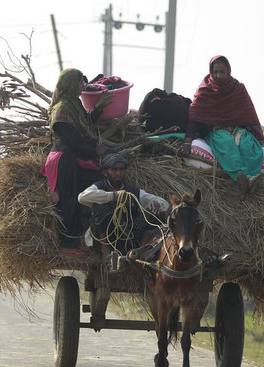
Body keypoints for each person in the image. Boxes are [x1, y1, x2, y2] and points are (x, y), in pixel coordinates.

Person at [40, 68, 112, 258]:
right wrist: (93, 151)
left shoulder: (74, 103)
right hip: (64, 159)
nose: (83, 85)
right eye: (80, 82)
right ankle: (67, 245)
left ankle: (95, 239)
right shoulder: (62, 108)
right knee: (69, 199)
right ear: (71, 85)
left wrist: (99, 107)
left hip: (74, 158)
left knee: (95, 186)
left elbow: (85, 124)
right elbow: (72, 139)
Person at [180, 55, 264, 200]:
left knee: (249, 145)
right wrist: (187, 142)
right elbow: (194, 117)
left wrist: (259, 138)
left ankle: (252, 178)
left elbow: (250, 114)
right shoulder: (205, 90)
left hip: (237, 130)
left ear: (229, 71)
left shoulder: (237, 89)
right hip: (217, 131)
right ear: (211, 72)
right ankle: (240, 177)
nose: (218, 75)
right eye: (215, 72)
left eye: (222, 72)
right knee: (227, 146)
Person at [78, 153, 169, 257]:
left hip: (129, 233)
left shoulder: (132, 190)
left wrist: (155, 202)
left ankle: (150, 249)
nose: (118, 173)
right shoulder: (99, 186)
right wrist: (113, 196)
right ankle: (106, 249)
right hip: (105, 235)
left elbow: (164, 203)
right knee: (102, 208)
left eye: (121, 169)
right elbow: (82, 197)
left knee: (156, 213)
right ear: (105, 172)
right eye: (114, 169)